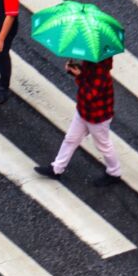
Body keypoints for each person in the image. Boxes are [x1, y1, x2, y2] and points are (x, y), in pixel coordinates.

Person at [34, 58, 122, 186]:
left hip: (97, 118)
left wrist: (79, 76)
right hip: (84, 112)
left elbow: (90, 95)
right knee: (70, 139)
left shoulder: (101, 74)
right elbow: (86, 78)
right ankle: (56, 168)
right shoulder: (91, 63)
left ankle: (114, 173)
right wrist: (74, 71)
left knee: (103, 145)